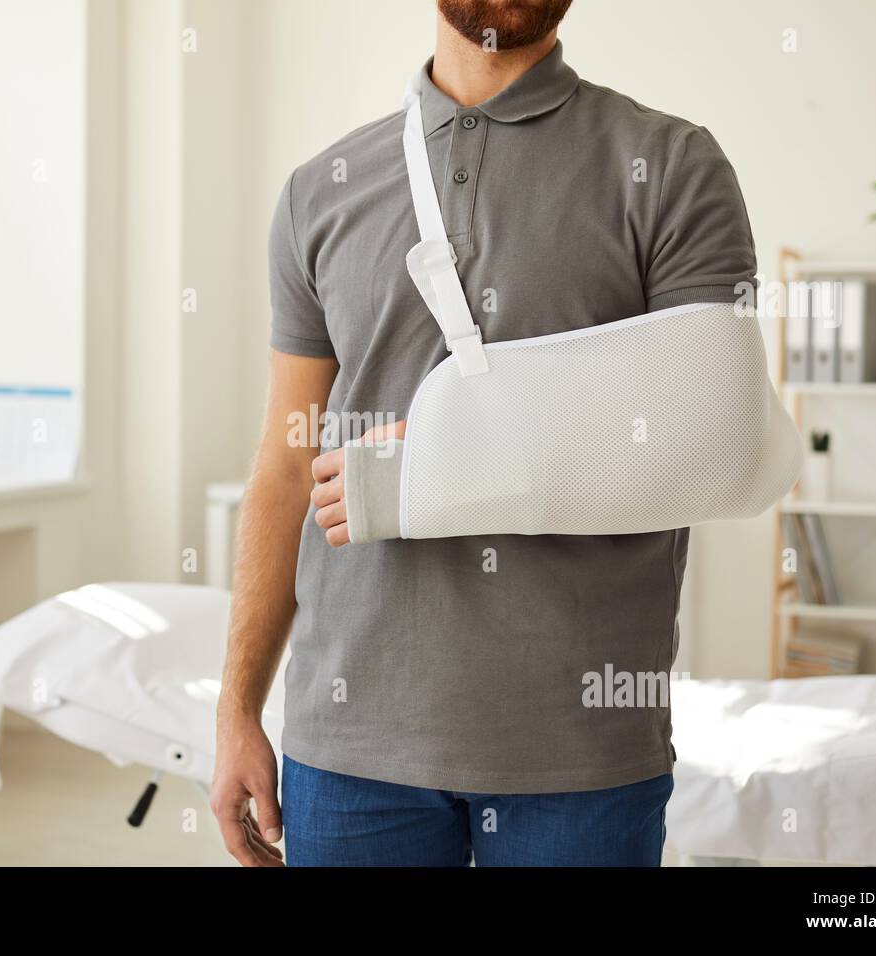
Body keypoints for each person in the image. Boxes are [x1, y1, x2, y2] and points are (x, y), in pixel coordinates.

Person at [211, 0, 757, 867]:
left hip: (579, 748)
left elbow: (713, 442)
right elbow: (286, 463)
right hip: (349, 744)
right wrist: (238, 707)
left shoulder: (672, 166)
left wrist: (433, 465)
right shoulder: (322, 188)